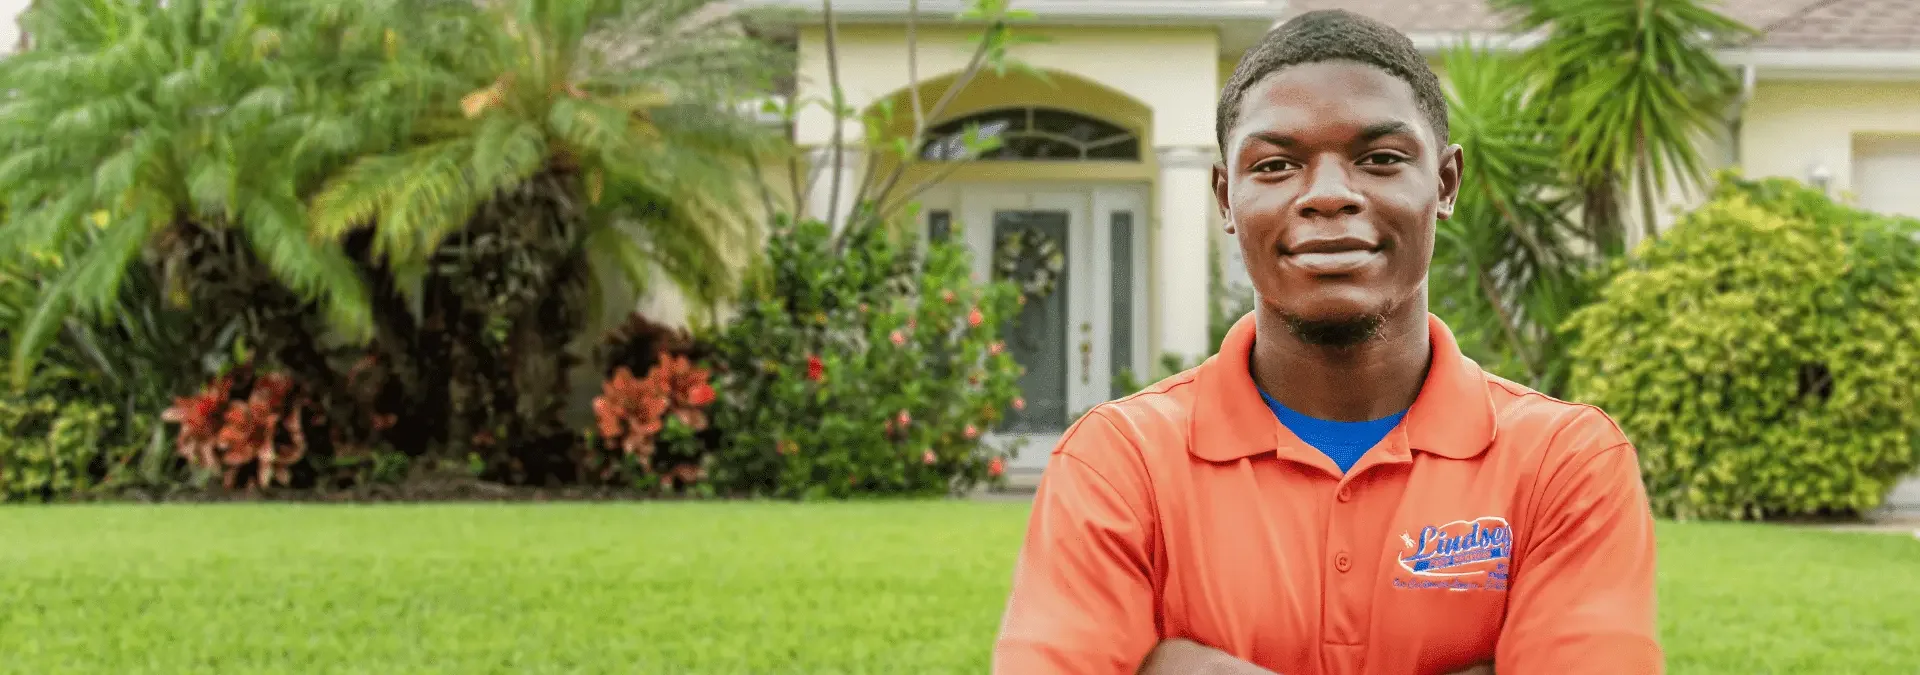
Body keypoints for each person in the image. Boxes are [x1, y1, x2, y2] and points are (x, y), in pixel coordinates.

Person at [992, 9, 1661, 675]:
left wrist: (1182, 667)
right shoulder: (1118, 465)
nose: (1330, 195)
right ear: (1226, 198)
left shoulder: (1564, 465)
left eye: (1380, 159)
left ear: (1446, 183)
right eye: (1278, 164)